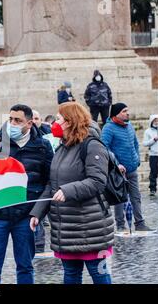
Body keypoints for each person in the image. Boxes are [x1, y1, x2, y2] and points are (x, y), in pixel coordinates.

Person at [0, 104, 53, 284]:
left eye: (18, 120)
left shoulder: (42, 146)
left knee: (25, 267)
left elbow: (49, 181)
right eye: (10, 119)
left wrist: (37, 212)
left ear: (29, 124)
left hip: (25, 216)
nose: (12, 123)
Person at [30, 102, 114, 284]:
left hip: (91, 228)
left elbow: (97, 181)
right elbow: (52, 185)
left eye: (58, 118)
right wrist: (38, 212)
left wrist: (67, 190)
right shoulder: (62, 148)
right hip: (65, 228)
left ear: (70, 121)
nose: (55, 123)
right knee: (71, 275)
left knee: (99, 275)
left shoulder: (92, 145)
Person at [102, 103, 154, 232]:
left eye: (127, 110)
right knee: (120, 198)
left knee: (136, 196)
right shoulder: (108, 128)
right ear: (116, 114)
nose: (127, 113)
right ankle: (120, 225)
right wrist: (116, 164)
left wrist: (136, 159)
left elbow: (135, 143)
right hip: (118, 171)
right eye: (124, 111)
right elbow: (104, 148)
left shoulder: (129, 125)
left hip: (132, 169)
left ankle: (140, 223)